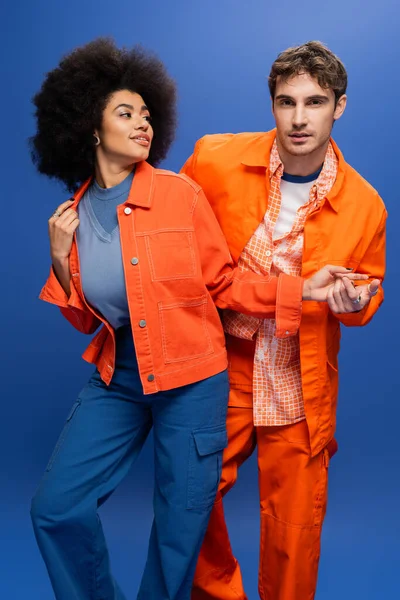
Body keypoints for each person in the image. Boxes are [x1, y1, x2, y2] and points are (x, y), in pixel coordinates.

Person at [28, 39, 356, 600]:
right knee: (55, 509)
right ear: (88, 126)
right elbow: (89, 322)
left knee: (180, 534)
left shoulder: (180, 194)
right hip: (121, 379)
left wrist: (302, 288)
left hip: (194, 383)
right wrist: (60, 258)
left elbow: (224, 283)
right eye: (126, 113)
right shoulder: (72, 217)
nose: (143, 125)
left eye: (147, 114)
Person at [181, 41, 387, 600]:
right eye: (286, 102)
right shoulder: (213, 160)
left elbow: (369, 290)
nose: (299, 118)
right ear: (271, 104)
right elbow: (176, 243)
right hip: (222, 367)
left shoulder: (366, 204)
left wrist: (356, 302)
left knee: (296, 529)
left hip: (302, 376)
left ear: (338, 107)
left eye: (315, 102)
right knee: (187, 497)